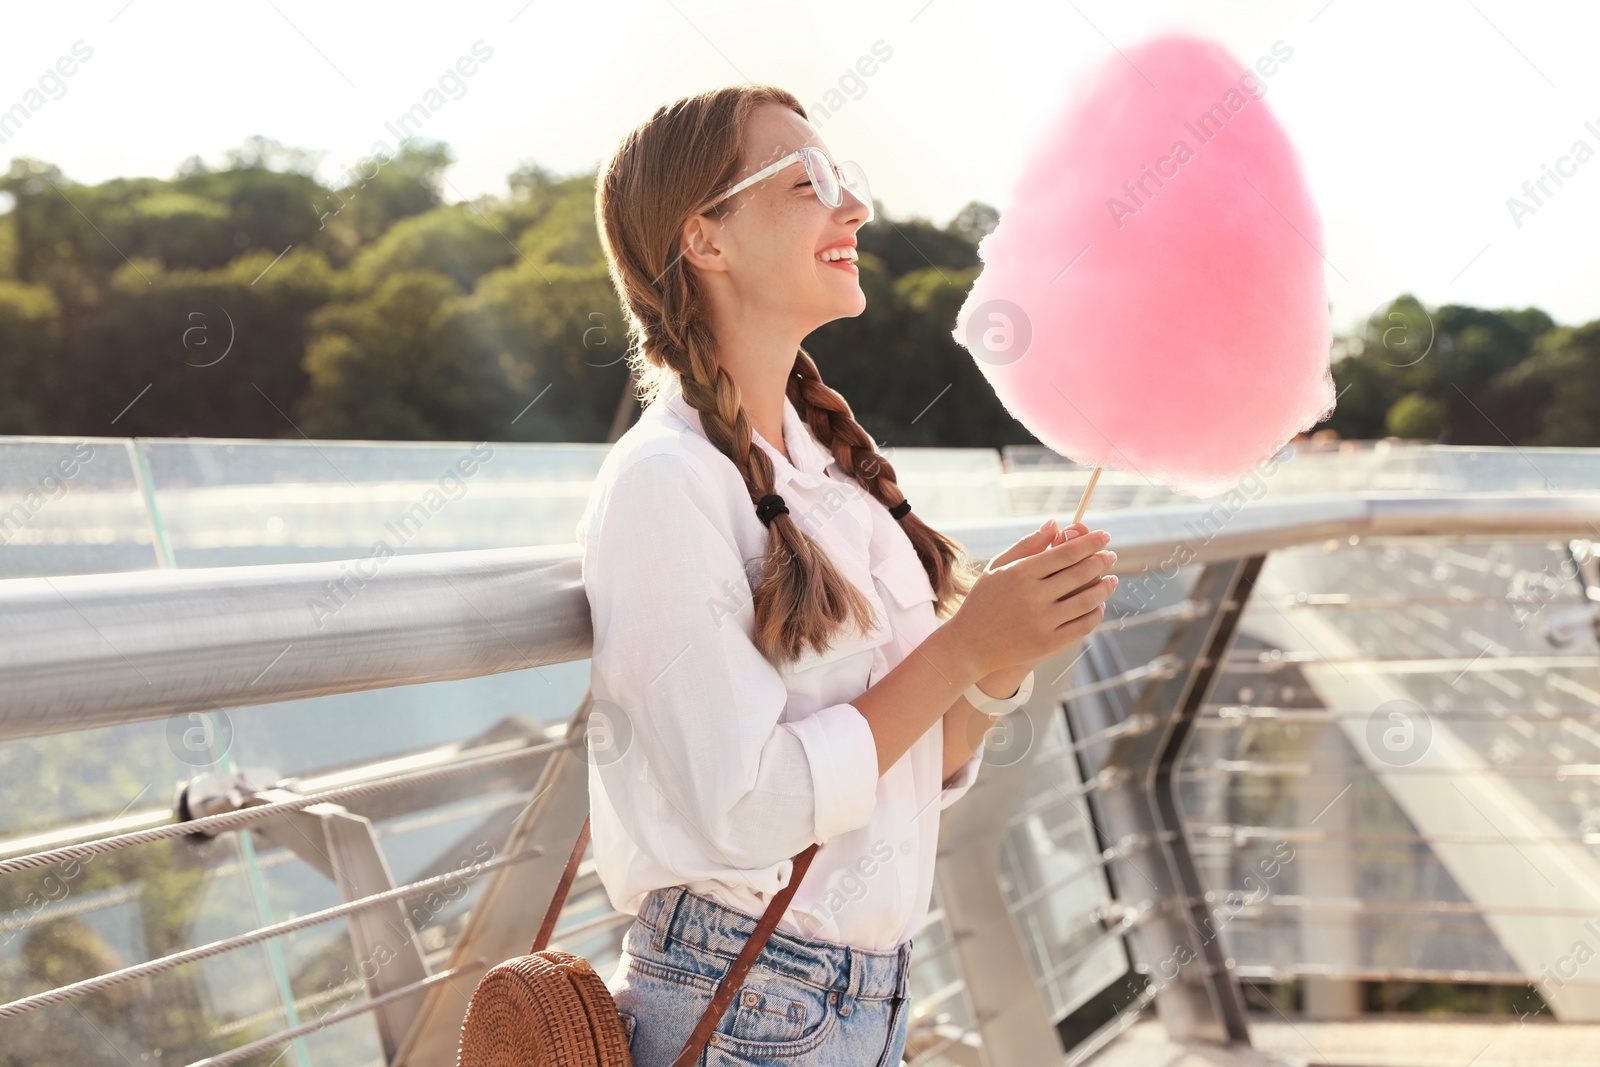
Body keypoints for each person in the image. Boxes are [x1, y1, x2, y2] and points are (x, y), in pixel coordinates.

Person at [578, 83, 1118, 1067]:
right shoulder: (666, 483)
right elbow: (742, 809)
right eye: (807, 183)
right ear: (706, 237)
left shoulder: (832, 476)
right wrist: (963, 641)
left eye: (845, 181)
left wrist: (1003, 652)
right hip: (740, 1000)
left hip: (863, 997)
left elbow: (909, 767)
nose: (854, 207)